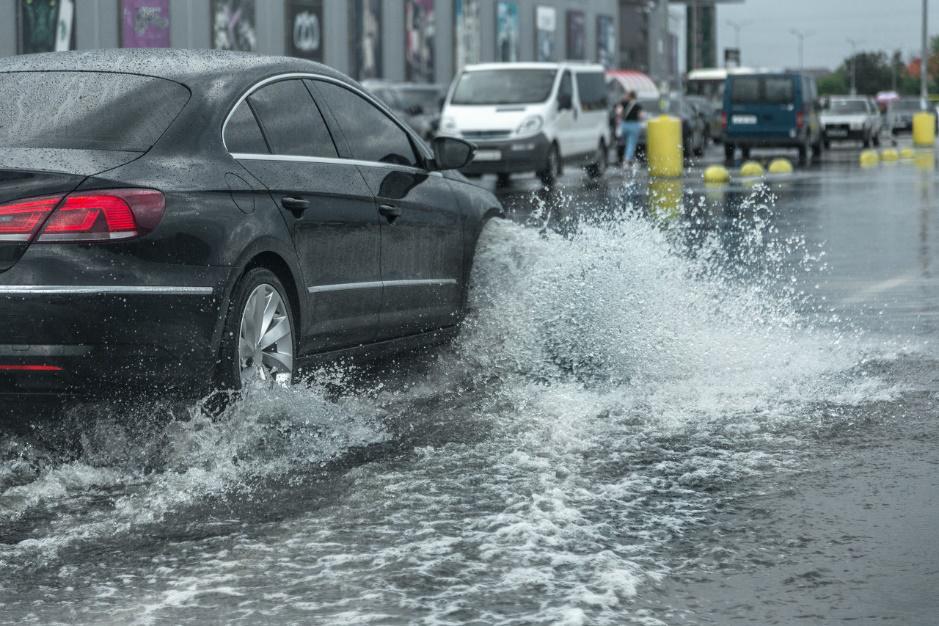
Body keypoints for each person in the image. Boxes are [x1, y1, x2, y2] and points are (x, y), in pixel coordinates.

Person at [615, 90, 643, 168]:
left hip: (624, 125)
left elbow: (618, 112)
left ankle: (625, 158)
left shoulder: (623, 103)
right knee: (631, 143)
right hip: (634, 125)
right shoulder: (638, 105)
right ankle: (627, 160)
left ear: (629, 96)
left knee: (622, 142)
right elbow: (641, 116)